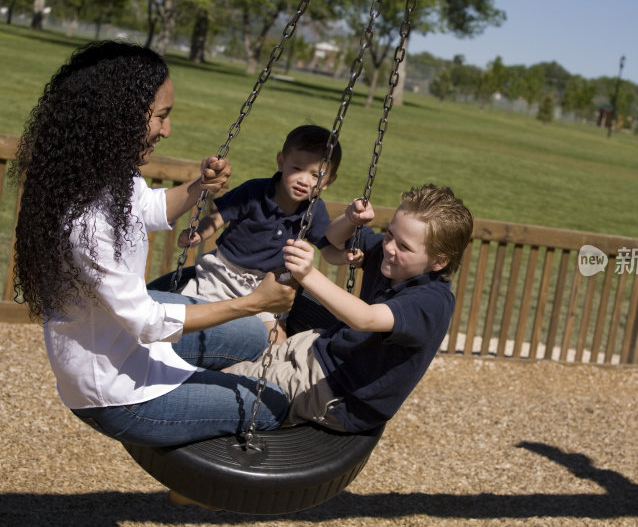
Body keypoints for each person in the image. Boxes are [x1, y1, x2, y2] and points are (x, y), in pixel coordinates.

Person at [10, 41, 296, 449]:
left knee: (253, 337)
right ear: (119, 116)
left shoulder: (108, 174)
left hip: (129, 341)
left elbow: (150, 206)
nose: (167, 130)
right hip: (115, 391)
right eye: (161, 116)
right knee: (272, 406)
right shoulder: (87, 222)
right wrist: (254, 302)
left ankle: (203, 380)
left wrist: (200, 186)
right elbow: (147, 321)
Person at [226, 184, 474, 433]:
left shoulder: (431, 302)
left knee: (227, 383)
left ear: (439, 261)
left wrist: (308, 274)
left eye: (404, 247)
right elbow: (335, 239)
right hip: (322, 348)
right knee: (238, 356)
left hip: (340, 394)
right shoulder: (391, 256)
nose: (389, 247)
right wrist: (349, 219)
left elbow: (365, 319)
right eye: (389, 234)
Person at [177, 124, 368, 342]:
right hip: (223, 274)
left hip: (268, 286)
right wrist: (199, 234)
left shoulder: (315, 210)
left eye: (316, 175)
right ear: (281, 162)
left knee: (275, 338)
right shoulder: (254, 192)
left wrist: (344, 256)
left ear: (329, 181)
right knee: (189, 320)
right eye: (297, 169)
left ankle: (263, 373)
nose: (304, 180)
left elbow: (327, 250)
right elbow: (219, 215)